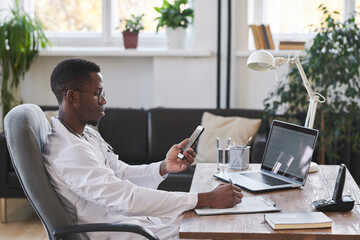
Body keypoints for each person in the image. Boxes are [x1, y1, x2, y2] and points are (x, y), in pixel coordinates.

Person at [43, 58, 243, 240]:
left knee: (217, 223)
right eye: (97, 94)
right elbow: (127, 198)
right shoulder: (69, 152)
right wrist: (205, 198)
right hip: (120, 232)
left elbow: (120, 172)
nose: (104, 101)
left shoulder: (85, 134)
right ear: (71, 97)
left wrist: (164, 167)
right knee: (215, 232)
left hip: (135, 222)